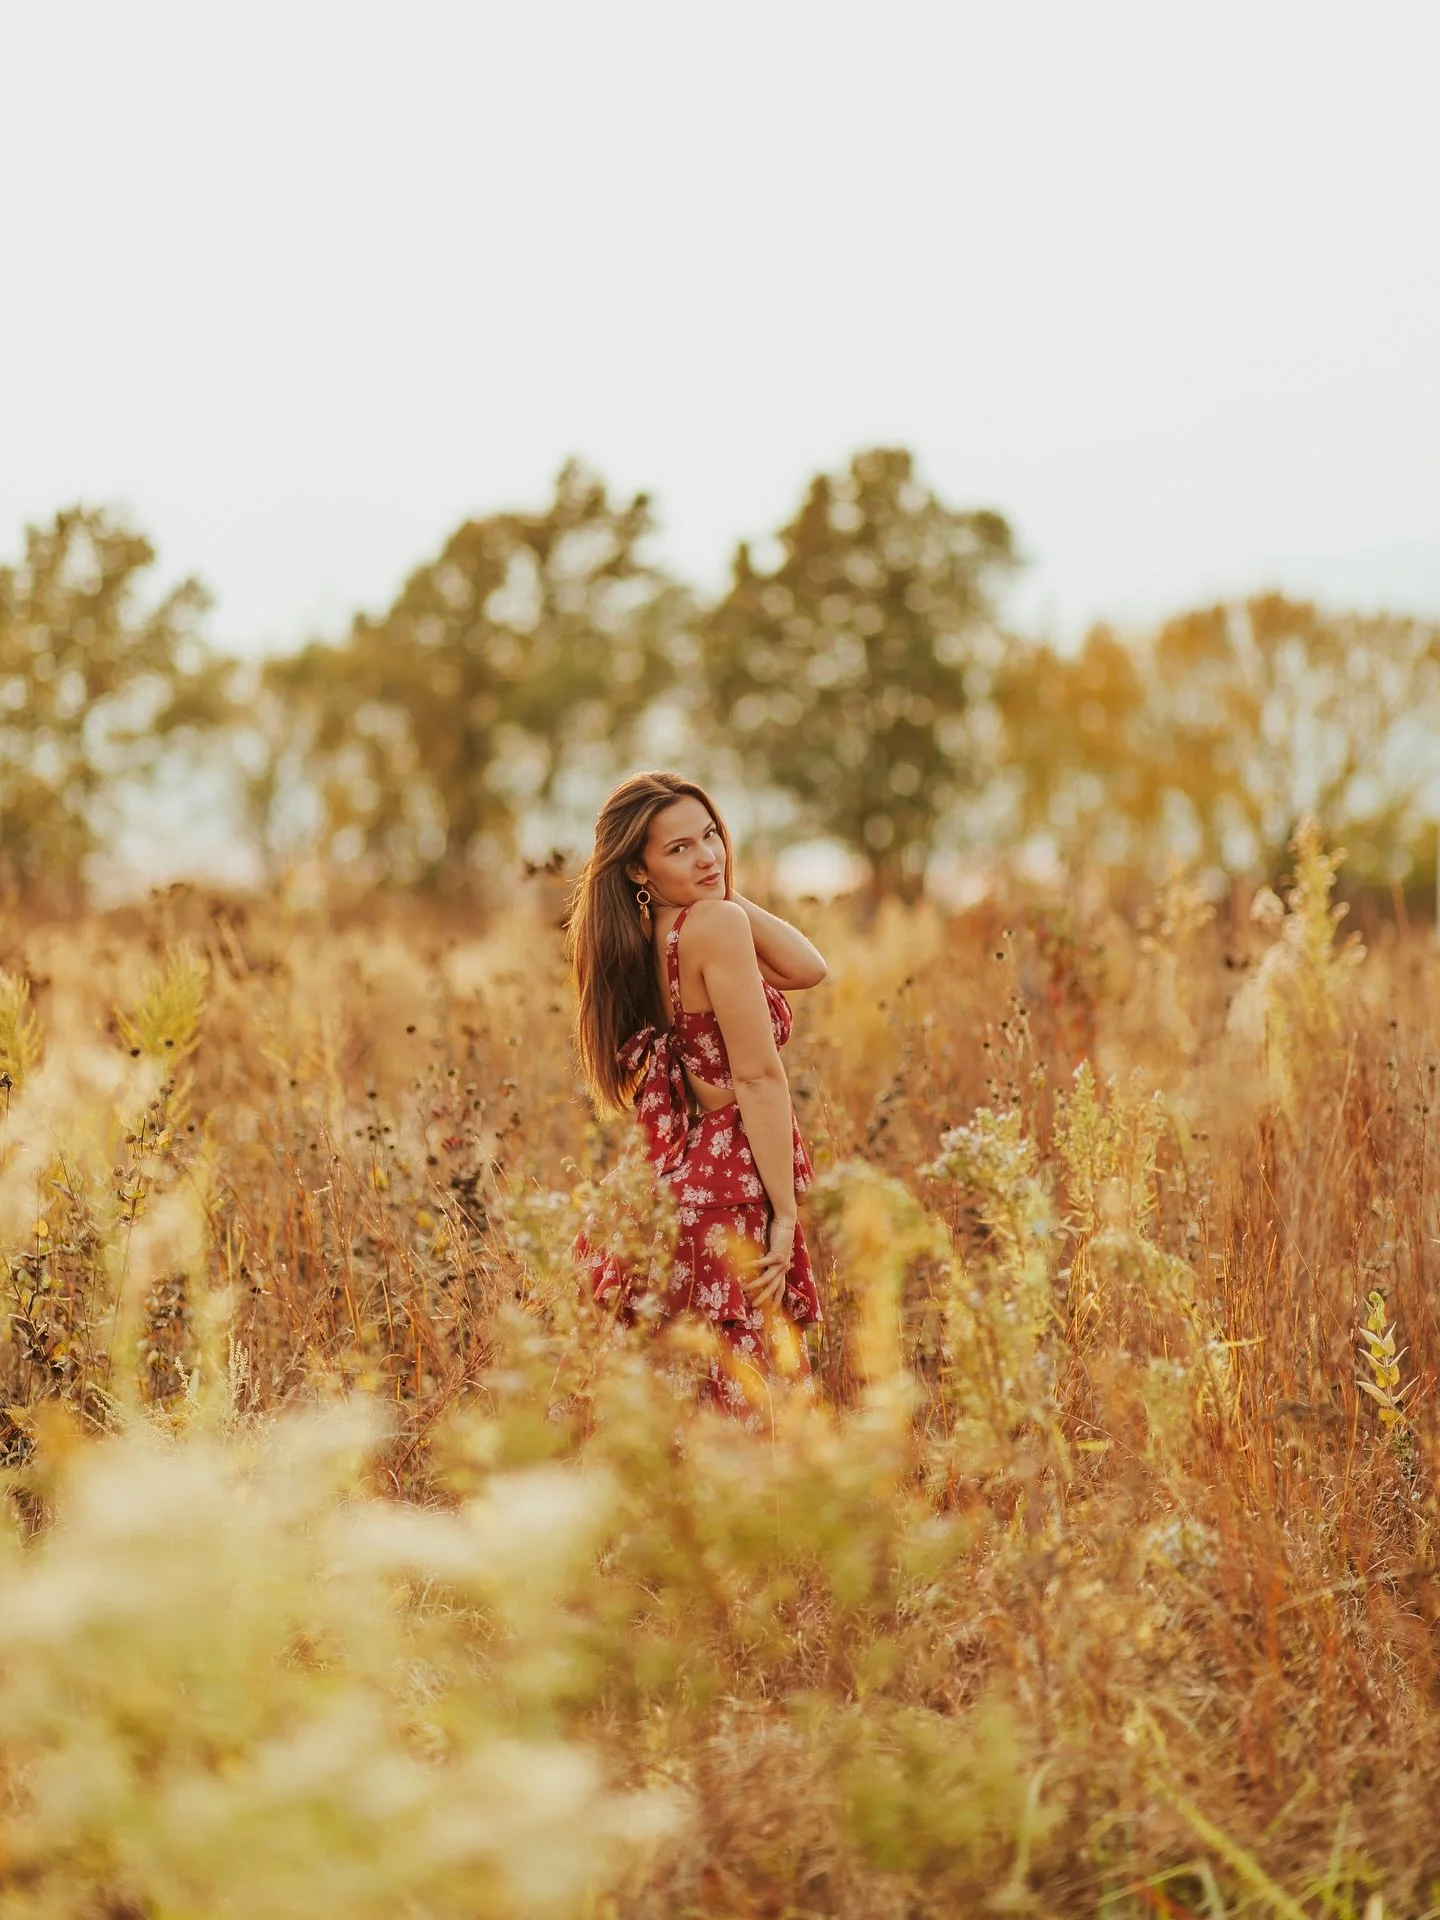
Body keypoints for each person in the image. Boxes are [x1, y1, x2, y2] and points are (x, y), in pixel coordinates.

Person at [566, 770, 828, 1420]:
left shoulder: (653, 936)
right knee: (735, 1410)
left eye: (710, 835)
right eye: (679, 848)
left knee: (676, 1408)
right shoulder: (711, 928)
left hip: (664, 1192)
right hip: (722, 1194)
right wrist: (785, 1215)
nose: (707, 855)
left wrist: (723, 889)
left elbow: (806, 967)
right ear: (637, 870)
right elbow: (758, 1079)